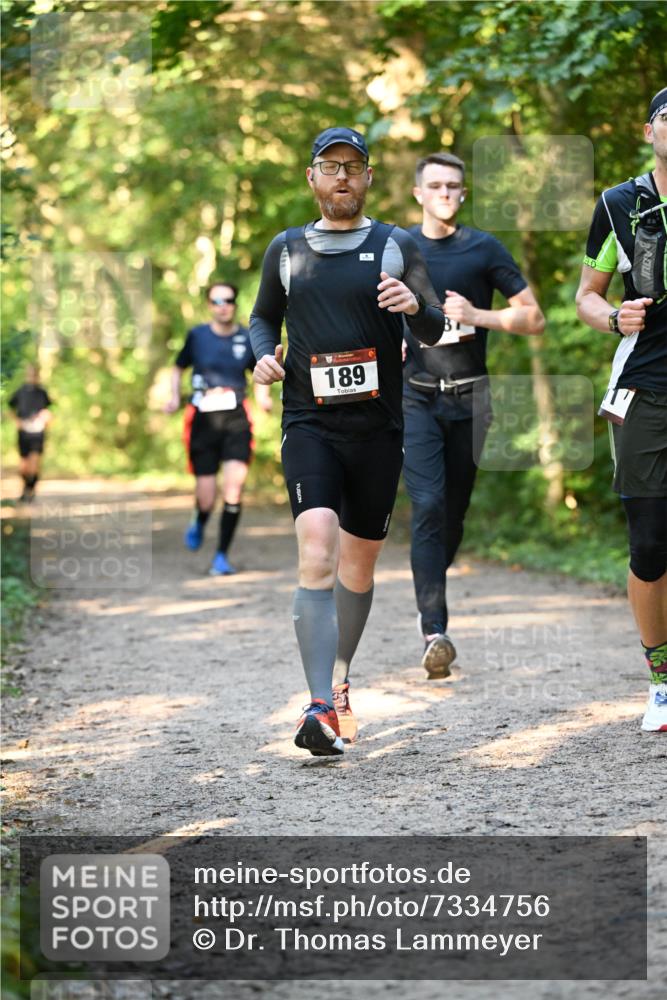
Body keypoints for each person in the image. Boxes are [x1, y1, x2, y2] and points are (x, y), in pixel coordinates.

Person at [250, 126, 445, 756]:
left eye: (353, 167)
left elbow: (438, 326)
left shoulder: (396, 245)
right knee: (317, 544)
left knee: (358, 567)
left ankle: (338, 684)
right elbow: (261, 318)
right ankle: (315, 708)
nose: (342, 177)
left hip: (380, 429)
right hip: (309, 422)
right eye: (330, 166)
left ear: (367, 178)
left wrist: (413, 304)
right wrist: (262, 357)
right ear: (312, 177)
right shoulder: (285, 249)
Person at [402, 153, 545, 678]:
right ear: (417, 192)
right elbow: (365, 306)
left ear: (464, 193)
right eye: (435, 185)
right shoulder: (396, 246)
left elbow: (535, 317)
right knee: (429, 503)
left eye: (454, 186)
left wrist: (477, 315)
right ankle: (433, 626)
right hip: (414, 395)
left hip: (471, 397)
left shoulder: (482, 247)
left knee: (453, 514)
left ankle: (429, 586)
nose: (445, 192)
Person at [576, 87, 667, 733]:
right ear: (647, 131)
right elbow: (586, 294)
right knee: (649, 541)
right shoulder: (617, 204)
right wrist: (612, 317)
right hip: (644, 385)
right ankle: (660, 680)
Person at [165, 282, 271, 576]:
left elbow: (259, 372)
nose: (222, 305)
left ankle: (221, 556)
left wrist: (262, 397)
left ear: (235, 304)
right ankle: (200, 518)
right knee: (207, 497)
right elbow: (177, 367)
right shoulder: (197, 336)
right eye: (216, 301)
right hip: (202, 420)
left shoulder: (247, 338)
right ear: (209, 305)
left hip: (236, 418)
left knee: (234, 490)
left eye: (227, 300)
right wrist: (174, 396)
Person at [9, 363, 53, 503]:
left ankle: (30, 490)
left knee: (34, 463)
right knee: (24, 466)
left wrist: (47, 419)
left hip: (37, 433)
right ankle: (26, 487)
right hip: (24, 433)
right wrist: (17, 421)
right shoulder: (20, 392)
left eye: (34, 374)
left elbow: (48, 410)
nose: (32, 376)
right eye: (30, 373)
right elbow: (10, 408)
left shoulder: (42, 393)